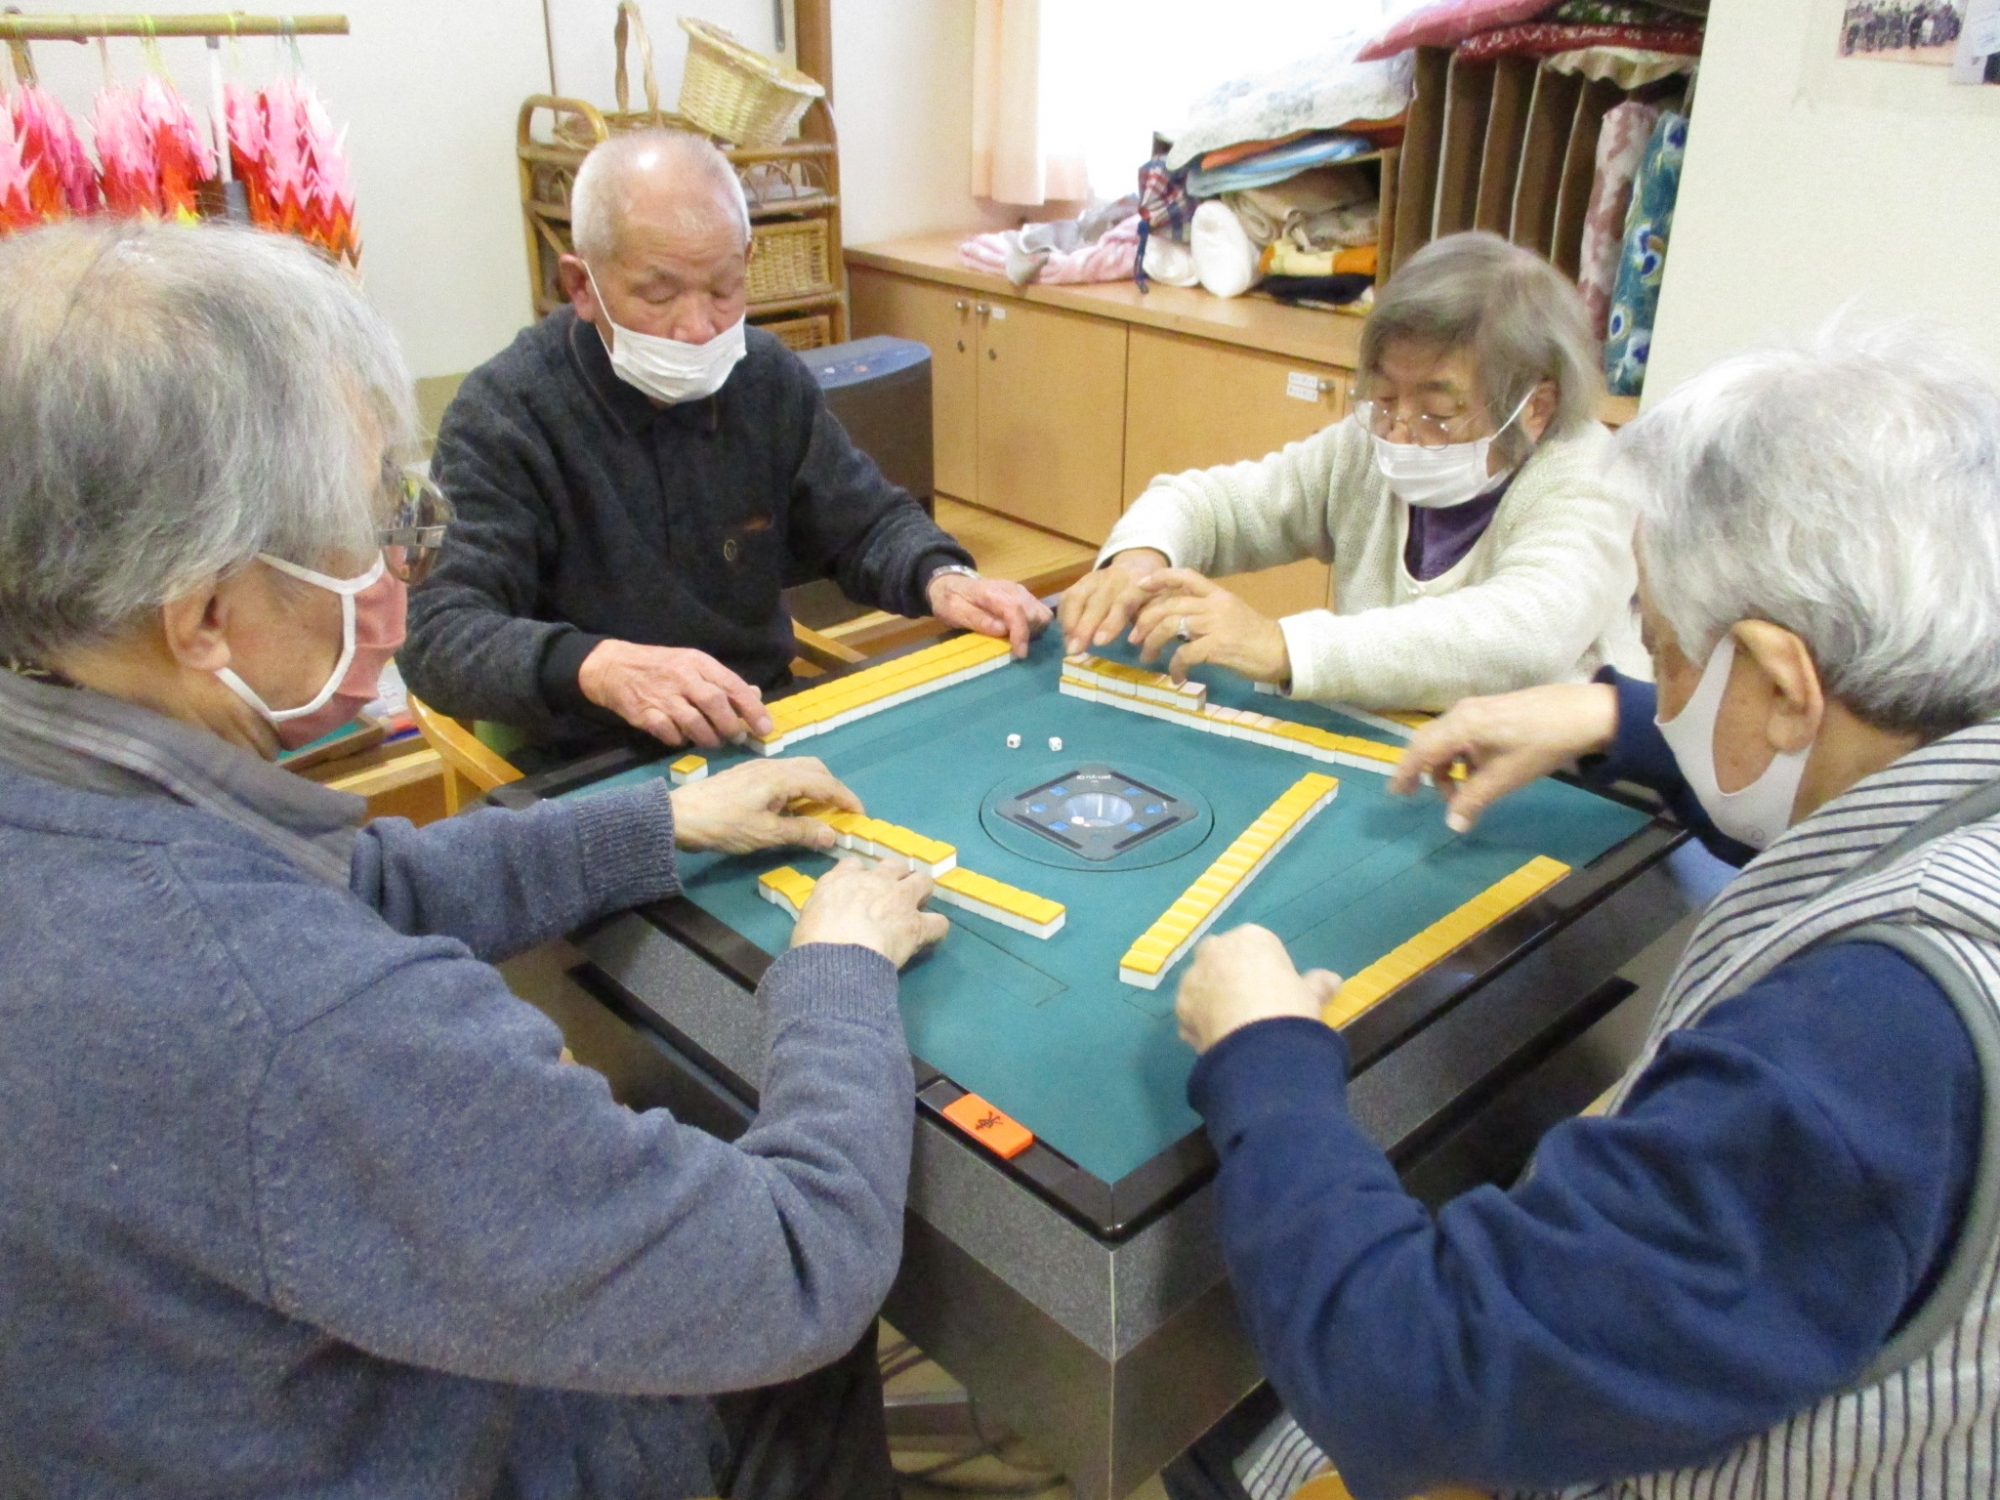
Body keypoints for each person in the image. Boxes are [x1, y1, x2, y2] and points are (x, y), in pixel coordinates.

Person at [0, 219, 948, 1500]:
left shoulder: (73, 786)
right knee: (788, 1342)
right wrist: (834, 970)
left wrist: (664, 821)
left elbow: (357, 884)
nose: (396, 561)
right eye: (366, 523)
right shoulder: (302, 1019)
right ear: (207, 616)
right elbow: (793, 1269)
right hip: (420, 1450)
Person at [1167, 322, 2000, 1498]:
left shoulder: (1863, 1041)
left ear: (1780, 686)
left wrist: (1262, 1052)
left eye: (1663, 651)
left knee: (1229, 1433)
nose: (1654, 675)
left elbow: (1408, 1386)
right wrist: (1618, 718)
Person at [400, 129, 1049, 763]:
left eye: (723, 289)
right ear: (581, 286)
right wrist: (596, 666)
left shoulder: (763, 377)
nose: (697, 327)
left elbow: (864, 522)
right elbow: (435, 632)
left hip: (759, 726)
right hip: (592, 760)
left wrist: (942, 576)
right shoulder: (503, 415)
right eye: (659, 294)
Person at [1059, 231, 1644, 711]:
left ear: (1535, 408)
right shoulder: (1367, 447)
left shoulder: (1590, 476)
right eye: (1385, 398)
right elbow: (1218, 505)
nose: (1398, 432)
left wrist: (1283, 645)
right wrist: (1141, 558)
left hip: (1549, 783)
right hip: (1391, 738)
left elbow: (1520, 635)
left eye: (1438, 413)